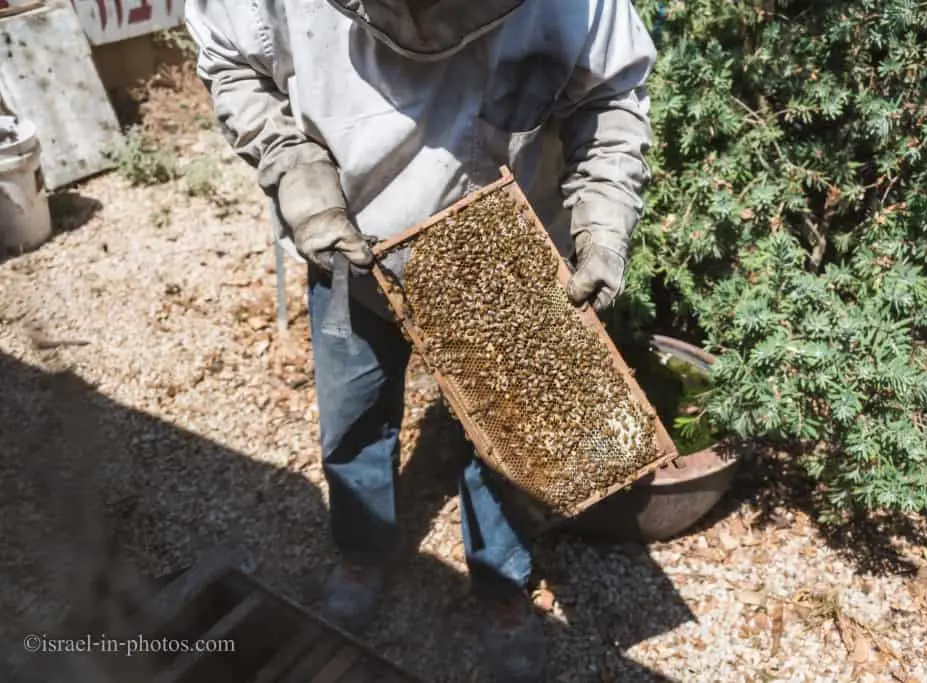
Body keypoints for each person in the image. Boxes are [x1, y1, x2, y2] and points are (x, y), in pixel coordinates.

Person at [185, 0, 655, 679]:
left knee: (513, 432)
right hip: (349, 243)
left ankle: (501, 581)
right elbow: (232, 62)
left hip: (505, 248)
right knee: (352, 408)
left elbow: (611, 96)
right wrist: (299, 178)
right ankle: (361, 546)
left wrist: (603, 220)